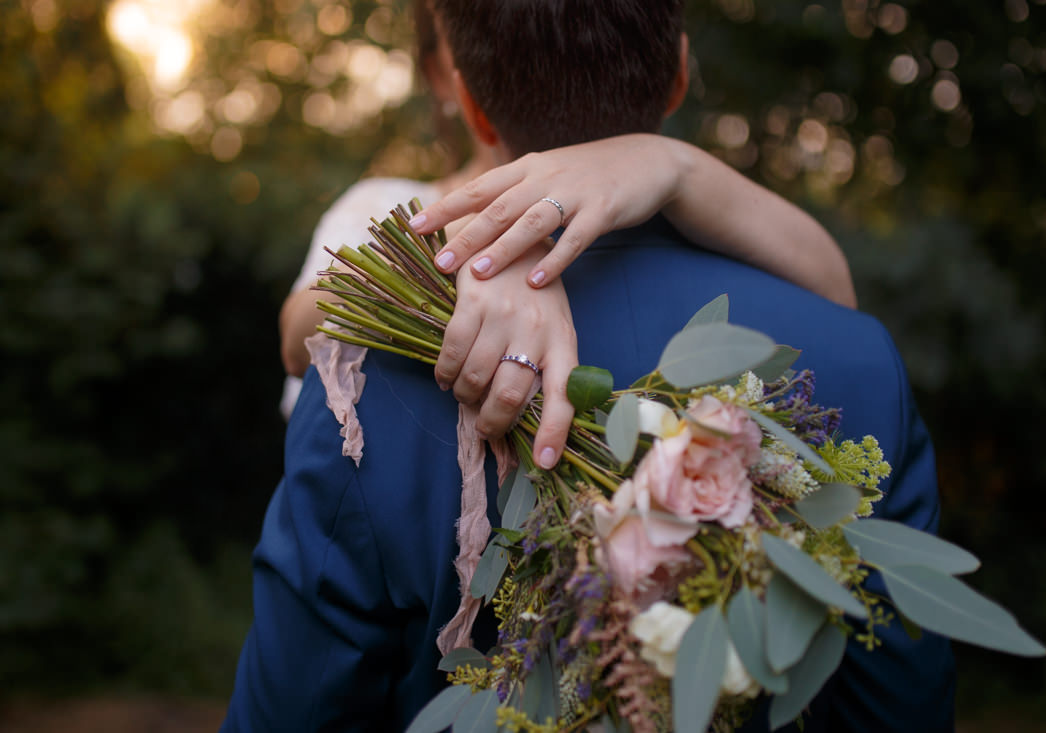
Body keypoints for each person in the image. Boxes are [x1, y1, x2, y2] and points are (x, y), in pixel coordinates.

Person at [223, 1, 955, 731]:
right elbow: (897, 705)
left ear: (473, 105)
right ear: (679, 74)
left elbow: (298, 706)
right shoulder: (858, 362)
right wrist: (468, 260)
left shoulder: (361, 392)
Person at [277, 0, 857, 434]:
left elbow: (834, 288)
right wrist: (464, 248)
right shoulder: (386, 206)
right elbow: (297, 338)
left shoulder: (677, 207)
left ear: (468, 100)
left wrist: (677, 165)